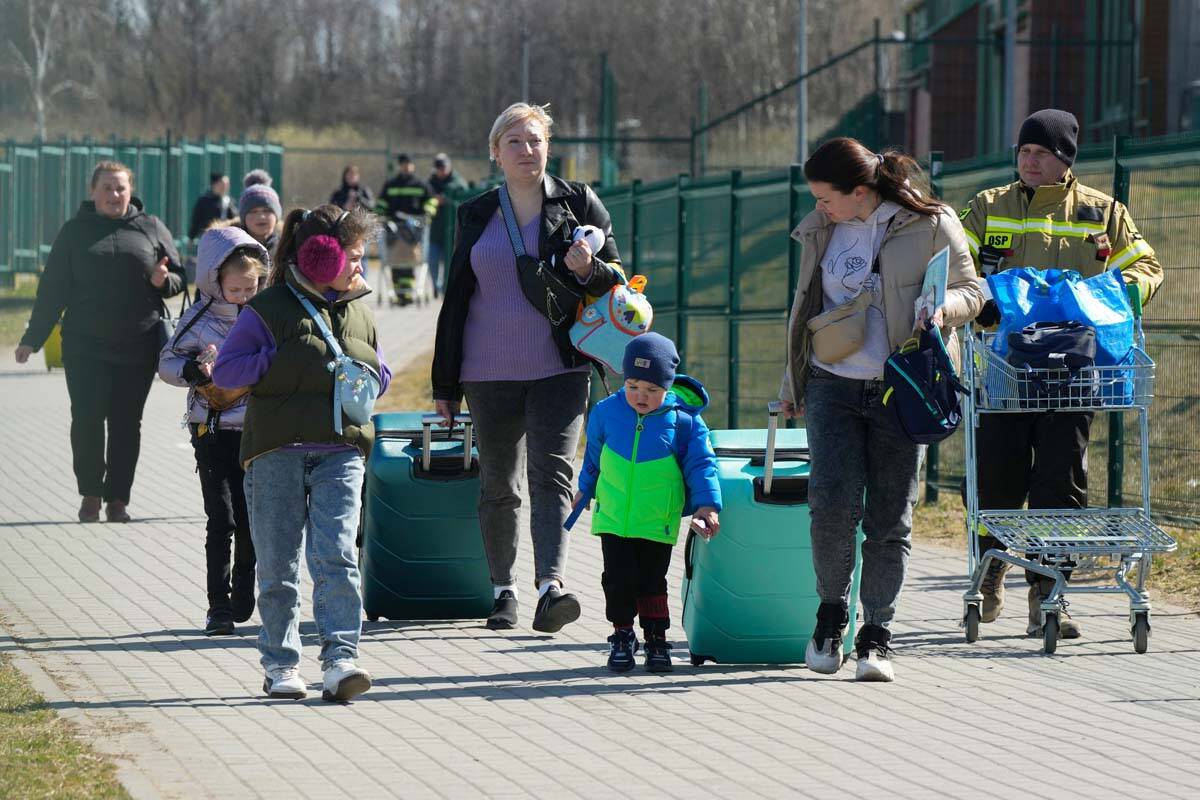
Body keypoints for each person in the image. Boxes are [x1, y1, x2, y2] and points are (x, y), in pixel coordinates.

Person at [779, 137, 983, 682]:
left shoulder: (931, 221)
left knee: (889, 518)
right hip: (832, 384)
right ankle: (830, 617)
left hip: (903, 386)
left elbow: (975, 290)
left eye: (827, 197)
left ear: (861, 191)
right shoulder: (822, 228)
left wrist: (942, 309)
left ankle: (878, 634)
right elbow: (805, 308)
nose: (819, 206)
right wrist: (791, 383)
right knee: (829, 506)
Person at [960, 109, 1164, 639]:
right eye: (1024, 152)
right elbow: (954, 264)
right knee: (996, 477)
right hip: (1003, 369)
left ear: (1064, 160)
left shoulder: (1103, 213)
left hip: (1076, 371)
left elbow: (1146, 267)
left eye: (1041, 153)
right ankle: (991, 573)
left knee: (1061, 481)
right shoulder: (987, 207)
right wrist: (980, 304)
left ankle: (1049, 593)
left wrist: (1108, 302)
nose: (1029, 161)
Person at [431, 102, 625, 632]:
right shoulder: (474, 213)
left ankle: (550, 587)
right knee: (499, 482)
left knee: (552, 475)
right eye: (514, 142)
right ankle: (503, 590)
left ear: (549, 147)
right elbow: (456, 299)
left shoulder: (578, 202)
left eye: (535, 140)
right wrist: (443, 382)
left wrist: (592, 269)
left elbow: (618, 282)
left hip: (561, 367)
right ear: (496, 153)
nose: (526, 150)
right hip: (486, 371)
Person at [212, 204, 390, 702]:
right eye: (353, 256)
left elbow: (383, 370)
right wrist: (281, 360)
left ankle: (340, 660)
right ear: (321, 257)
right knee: (279, 563)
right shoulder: (267, 310)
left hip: (341, 452)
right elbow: (226, 373)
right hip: (276, 451)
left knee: (337, 555)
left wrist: (371, 374)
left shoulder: (360, 309)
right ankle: (280, 665)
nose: (360, 266)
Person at [15, 161, 186, 523]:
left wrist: (162, 282)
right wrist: (33, 338)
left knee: (126, 424)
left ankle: (118, 500)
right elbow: (53, 289)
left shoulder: (151, 227)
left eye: (120, 188)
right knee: (87, 419)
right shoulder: (74, 232)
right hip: (84, 346)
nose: (114, 195)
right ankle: (91, 493)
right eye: (107, 188)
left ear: (131, 191)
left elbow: (179, 278)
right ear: (93, 192)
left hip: (137, 345)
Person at [575, 334, 721, 673]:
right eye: (633, 386)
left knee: (652, 581)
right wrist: (584, 488)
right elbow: (594, 458)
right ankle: (622, 635)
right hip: (613, 517)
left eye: (652, 390)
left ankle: (656, 638)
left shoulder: (684, 421)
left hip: (658, 518)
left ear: (667, 387)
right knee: (617, 579)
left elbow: (702, 464)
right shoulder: (606, 412)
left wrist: (707, 505)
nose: (641, 396)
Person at [159, 227, 268, 636]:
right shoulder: (197, 318)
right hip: (211, 428)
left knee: (250, 518)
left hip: (257, 431)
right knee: (219, 517)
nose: (242, 296)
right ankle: (218, 607)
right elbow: (166, 362)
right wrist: (190, 371)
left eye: (250, 288)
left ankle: (243, 592)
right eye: (235, 289)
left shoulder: (265, 315)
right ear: (214, 280)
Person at [427, 153, 468, 297]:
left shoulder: (457, 182)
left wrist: (446, 198)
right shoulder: (431, 182)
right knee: (432, 260)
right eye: (439, 168)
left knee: (449, 263)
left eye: (443, 167)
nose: (441, 171)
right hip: (435, 230)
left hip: (452, 231)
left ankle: (447, 289)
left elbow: (462, 194)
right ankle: (437, 287)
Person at [375, 153, 436, 223]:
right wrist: (377, 214)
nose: (406, 167)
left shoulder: (422, 185)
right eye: (403, 164)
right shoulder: (390, 185)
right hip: (394, 225)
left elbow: (431, 200)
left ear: (413, 166)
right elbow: (382, 203)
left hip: (416, 225)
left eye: (409, 164)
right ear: (399, 166)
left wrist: (428, 213)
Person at [237, 181, 282, 256]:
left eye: (267, 211)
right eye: (253, 211)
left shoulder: (288, 248)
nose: (261, 216)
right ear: (243, 218)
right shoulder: (232, 250)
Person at [189, 173, 236, 240]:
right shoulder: (204, 201)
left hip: (226, 238)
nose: (225, 187)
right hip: (209, 238)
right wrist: (191, 237)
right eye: (222, 184)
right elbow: (196, 220)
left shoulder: (230, 202)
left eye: (227, 184)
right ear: (214, 185)